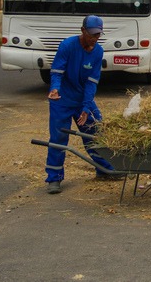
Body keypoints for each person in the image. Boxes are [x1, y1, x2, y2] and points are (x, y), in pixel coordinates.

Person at [44, 15, 121, 194]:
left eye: (98, 35)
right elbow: (57, 72)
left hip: (81, 99)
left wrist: (86, 107)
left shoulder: (98, 51)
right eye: (92, 34)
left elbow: (91, 82)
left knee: (96, 130)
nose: (94, 38)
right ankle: (54, 179)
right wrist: (55, 89)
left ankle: (104, 169)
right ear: (83, 31)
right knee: (58, 138)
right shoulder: (67, 46)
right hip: (61, 99)